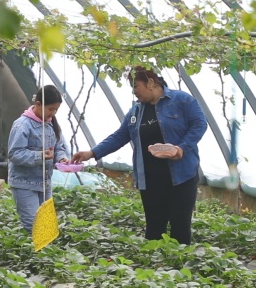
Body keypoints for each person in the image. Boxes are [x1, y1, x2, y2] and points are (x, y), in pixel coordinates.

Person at [71, 66, 207, 245]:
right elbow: (120, 136)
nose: (134, 92)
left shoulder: (182, 100)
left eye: (136, 86)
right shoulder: (136, 111)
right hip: (150, 180)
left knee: (179, 224)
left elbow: (199, 124)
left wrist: (180, 148)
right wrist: (91, 153)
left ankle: (179, 268)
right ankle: (156, 269)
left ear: (151, 83)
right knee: (154, 227)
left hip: (181, 176)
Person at [8, 85, 69, 233]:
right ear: (38, 104)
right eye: (50, 109)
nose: (53, 113)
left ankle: (46, 255)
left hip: (44, 184)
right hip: (24, 184)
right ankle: (36, 256)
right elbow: (14, 154)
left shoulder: (51, 124)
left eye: (56, 110)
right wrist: (40, 156)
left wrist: (61, 159)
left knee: (47, 228)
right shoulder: (22, 125)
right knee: (34, 228)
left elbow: (59, 147)